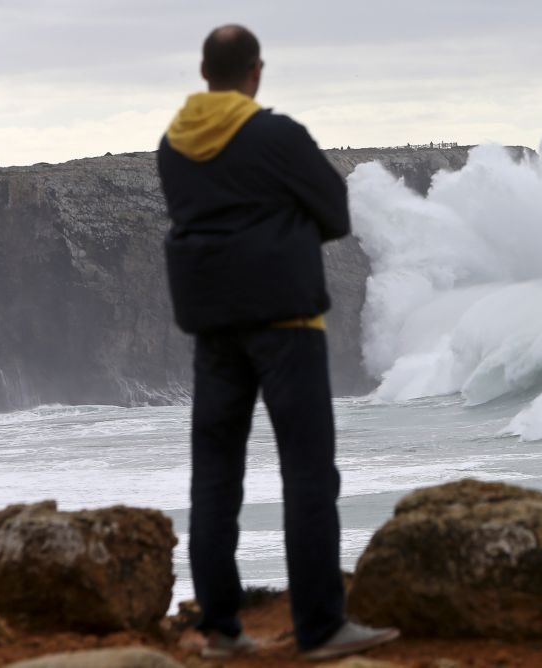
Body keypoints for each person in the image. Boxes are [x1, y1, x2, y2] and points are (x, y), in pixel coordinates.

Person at [156, 24, 399, 661]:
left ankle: (221, 630)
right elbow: (336, 211)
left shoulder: (173, 144)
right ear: (255, 72)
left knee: (215, 477)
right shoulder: (276, 135)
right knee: (308, 472)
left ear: (204, 72)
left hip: (213, 327)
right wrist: (282, 228)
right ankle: (320, 628)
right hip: (285, 322)